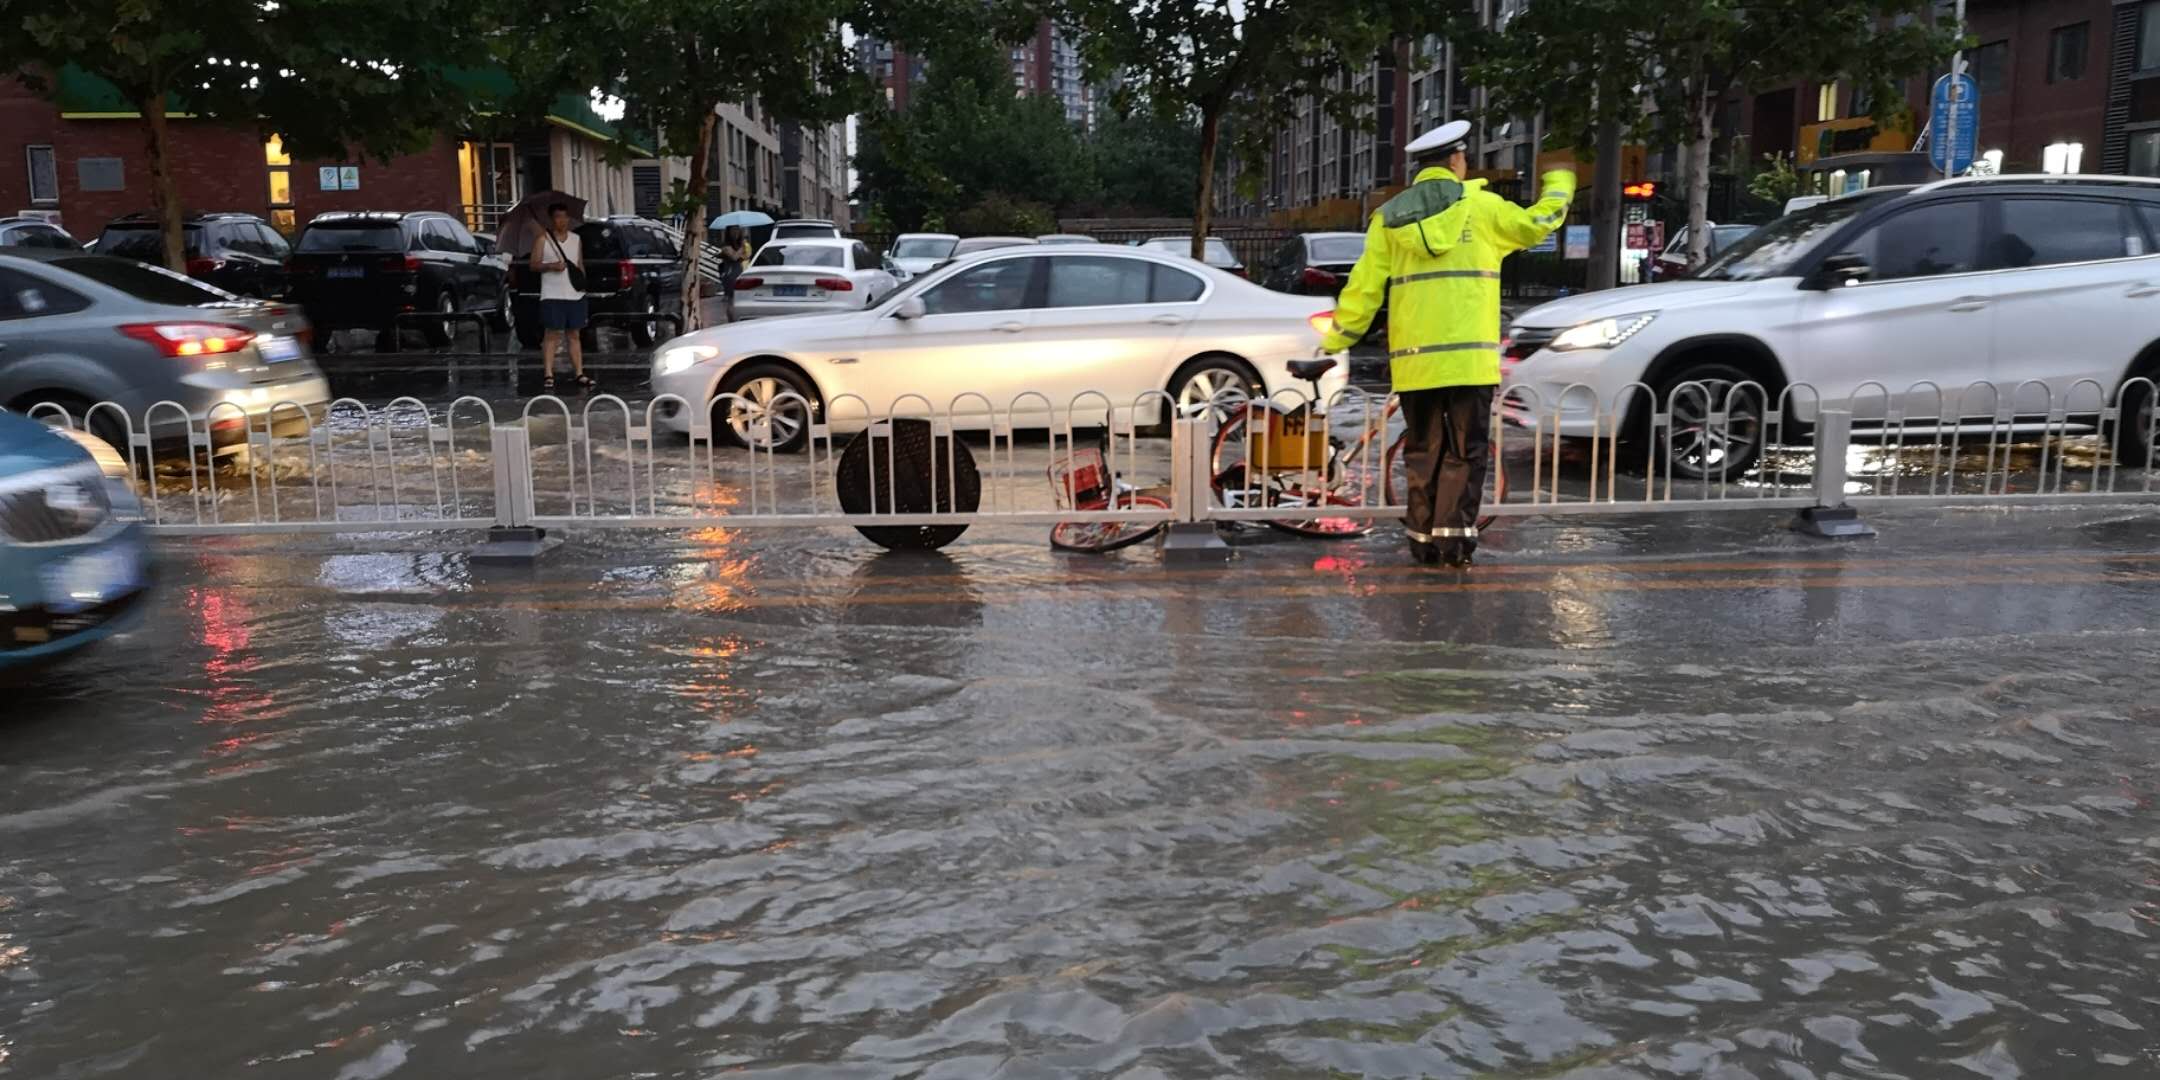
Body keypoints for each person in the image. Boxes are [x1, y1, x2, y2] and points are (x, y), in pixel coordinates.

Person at [1321, 120, 1574, 568]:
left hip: (1415, 363)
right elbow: (1541, 222)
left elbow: (1364, 288)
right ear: (1457, 161)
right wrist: (1559, 182)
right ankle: (1453, 546)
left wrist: (1339, 336)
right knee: (1465, 452)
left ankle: (1422, 542)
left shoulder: (1388, 217)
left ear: (1420, 168)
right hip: (1469, 363)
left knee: (1423, 451)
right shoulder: (1484, 208)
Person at [529, 202, 593, 391]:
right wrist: (551, 266)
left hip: (575, 294)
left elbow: (580, 263)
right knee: (552, 334)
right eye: (558, 217)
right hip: (552, 294)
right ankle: (548, 374)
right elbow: (533, 265)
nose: (562, 221)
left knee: (574, 334)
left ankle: (579, 372)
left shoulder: (576, 239)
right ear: (552, 219)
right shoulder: (543, 240)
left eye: (565, 217)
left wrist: (583, 285)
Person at [715, 224, 751, 322]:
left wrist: (744, 250)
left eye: (737, 230)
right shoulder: (726, 246)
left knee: (741, 298)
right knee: (732, 298)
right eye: (733, 231)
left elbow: (746, 256)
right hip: (730, 272)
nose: (736, 233)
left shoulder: (739, 244)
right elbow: (734, 257)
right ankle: (731, 321)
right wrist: (742, 248)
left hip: (740, 270)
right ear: (729, 232)